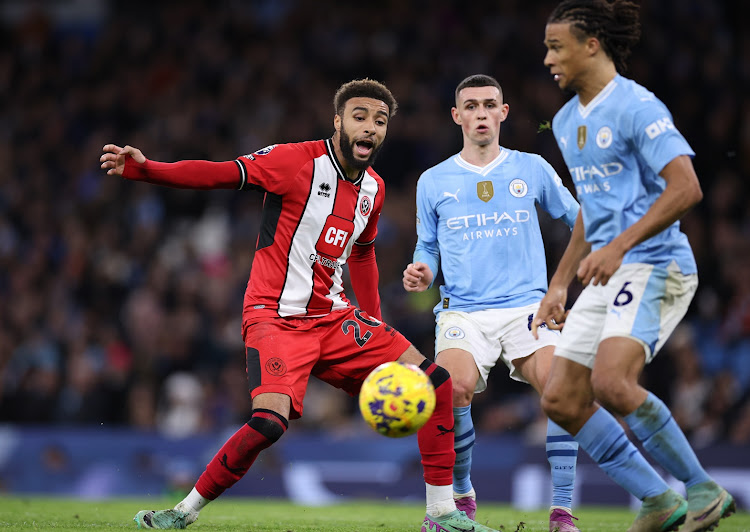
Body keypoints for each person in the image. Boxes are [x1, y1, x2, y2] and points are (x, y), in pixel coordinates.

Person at [100, 79, 499, 532]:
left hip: (335, 318)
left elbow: (364, 253)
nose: (370, 127)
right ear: (338, 122)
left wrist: (372, 319)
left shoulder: (374, 189)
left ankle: (441, 515)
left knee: (436, 384)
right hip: (275, 318)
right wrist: (147, 170)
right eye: (360, 116)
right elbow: (220, 172)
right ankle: (181, 512)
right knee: (269, 424)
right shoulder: (294, 161)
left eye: (380, 121)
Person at [533, 2, 736, 532]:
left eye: (557, 46)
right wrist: (558, 284)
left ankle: (703, 490)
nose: (548, 58)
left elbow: (686, 187)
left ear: (592, 44)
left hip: (656, 262)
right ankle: (656, 500)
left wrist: (619, 245)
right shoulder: (565, 120)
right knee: (561, 397)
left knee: (613, 383)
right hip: (607, 268)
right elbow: (590, 208)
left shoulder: (637, 107)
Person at [403, 74, 582, 532]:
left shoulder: (532, 167)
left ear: (503, 112)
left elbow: (578, 220)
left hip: (528, 307)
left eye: (489, 105)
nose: (480, 113)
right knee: (453, 388)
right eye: (471, 106)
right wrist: (422, 269)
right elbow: (428, 247)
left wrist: (573, 276)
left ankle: (562, 512)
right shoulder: (433, 180)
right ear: (456, 115)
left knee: (562, 391)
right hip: (464, 310)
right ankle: (461, 496)